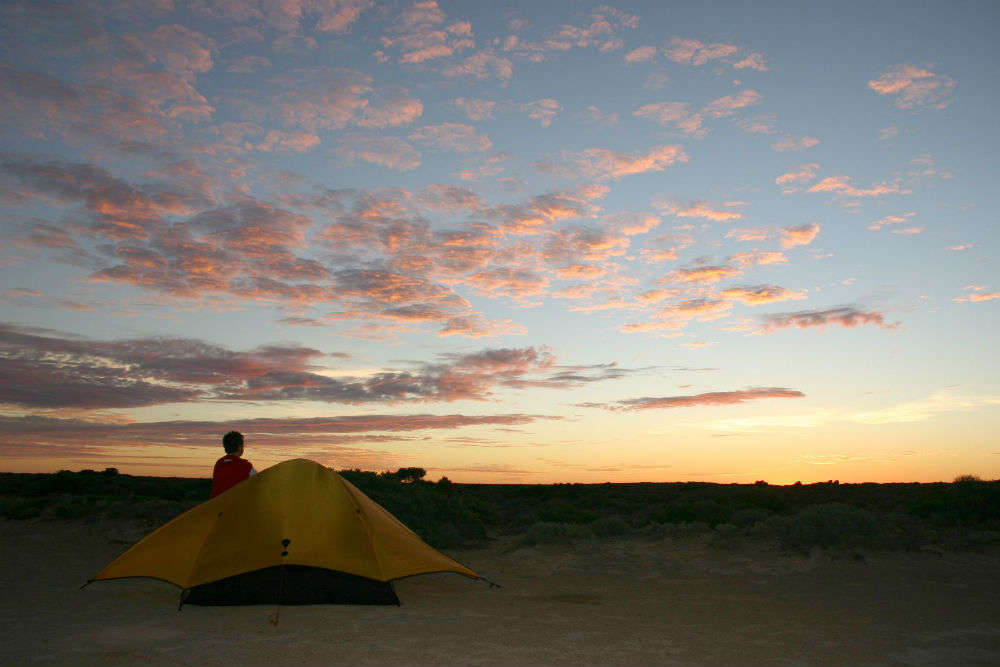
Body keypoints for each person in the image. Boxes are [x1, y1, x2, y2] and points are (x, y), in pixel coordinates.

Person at [210, 431, 256, 498]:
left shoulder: (219, 464)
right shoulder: (246, 466)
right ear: (239, 447)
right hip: (235, 505)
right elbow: (259, 481)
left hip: (217, 505)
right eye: (243, 446)